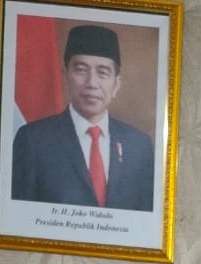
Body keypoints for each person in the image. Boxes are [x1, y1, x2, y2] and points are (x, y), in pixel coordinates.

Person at [10, 24, 156, 211]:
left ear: (116, 85)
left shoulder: (139, 145)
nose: (91, 83)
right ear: (65, 76)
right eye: (81, 70)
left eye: (102, 72)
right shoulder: (33, 140)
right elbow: (19, 216)